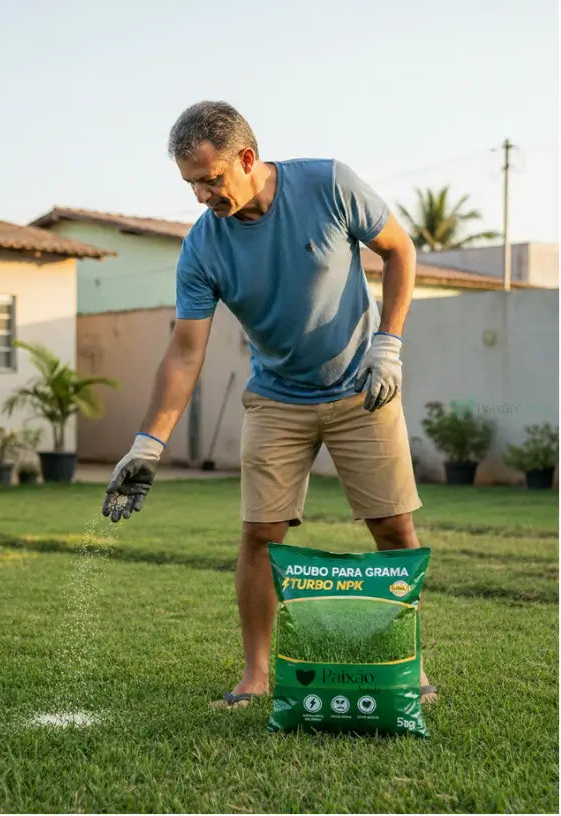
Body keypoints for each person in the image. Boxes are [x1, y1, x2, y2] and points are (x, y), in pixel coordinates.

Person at [101, 100, 436, 708]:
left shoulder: (327, 184)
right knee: (260, 533)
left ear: (247, 159)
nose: (202, 195)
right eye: (190, 184)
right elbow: (184, 353)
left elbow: (401, 250)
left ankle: (408, 665)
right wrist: (147, 445)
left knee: (394, 527)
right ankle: (256, 674)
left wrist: (388, 344)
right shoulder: (203, 248)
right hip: (277, 397)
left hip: (363, 384)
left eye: (210, 179)